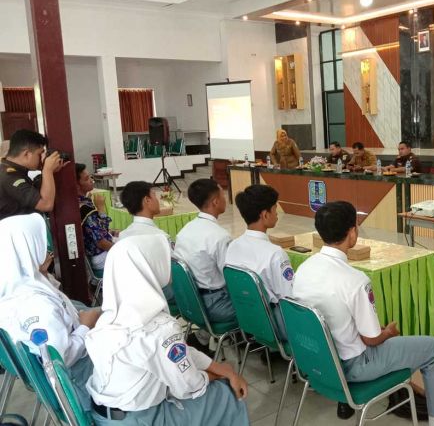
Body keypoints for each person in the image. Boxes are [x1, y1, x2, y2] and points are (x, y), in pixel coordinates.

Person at [293, 201, 434, 425]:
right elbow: (371, 339)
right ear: (351, 233)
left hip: (315, 359)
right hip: (353, 366)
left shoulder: (303, 269)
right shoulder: (355, 280)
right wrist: (387, 332)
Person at [85, 235, 249, 426]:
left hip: (104, 417)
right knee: (225, 393)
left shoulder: (110, 316)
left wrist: (218, 367)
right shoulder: (160, 328)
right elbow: (190, 386)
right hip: (141, 420)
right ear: (151, 268)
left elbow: (178, 352)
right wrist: (223, 375)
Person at [0, 213, 101, 410]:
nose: (47, 249)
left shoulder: (13, 288)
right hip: (83, 383)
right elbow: (60, 360)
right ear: (25, 250)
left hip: (67, 382)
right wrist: (85, 327)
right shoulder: (37, 305)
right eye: (39, 243)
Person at [174, 179, 236, 352]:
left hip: (189, 300)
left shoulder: (185, 230)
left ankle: (202, 336)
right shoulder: (219, 236)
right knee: (262, 305)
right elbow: (230, 279)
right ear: (215, 202)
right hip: (215, 304)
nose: (225, 199)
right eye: (223, 195)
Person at [226, 185, 293, 341]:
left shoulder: (233, 246)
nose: (277, 214)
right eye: (275, 209)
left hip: (246, 317)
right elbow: (289, 298)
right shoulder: (275, 254)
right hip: (274, 323)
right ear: (265, 214)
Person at [119, 181, 178, 306]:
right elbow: (175, 272)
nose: (158, 200)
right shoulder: (160, 237)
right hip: (160, 293)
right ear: (147, 200)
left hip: (134, 295)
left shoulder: (123, 235)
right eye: (154, 196)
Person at [0, 129, 64, 221]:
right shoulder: (9, 177)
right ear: (26, 154)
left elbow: (33, 190)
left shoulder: (12, 171)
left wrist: (49, 172)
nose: (41, 158)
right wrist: (47, 170)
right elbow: (46, 205)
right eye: (39, 154)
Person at [76, 163, 114, 270]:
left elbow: (99, 231)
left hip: (98, 252)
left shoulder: (81, 201)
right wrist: (101, 208)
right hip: (100, 256)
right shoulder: (85, 208)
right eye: (87, 178)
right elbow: (101, 243)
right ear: (77, 185)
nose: (91, 180)